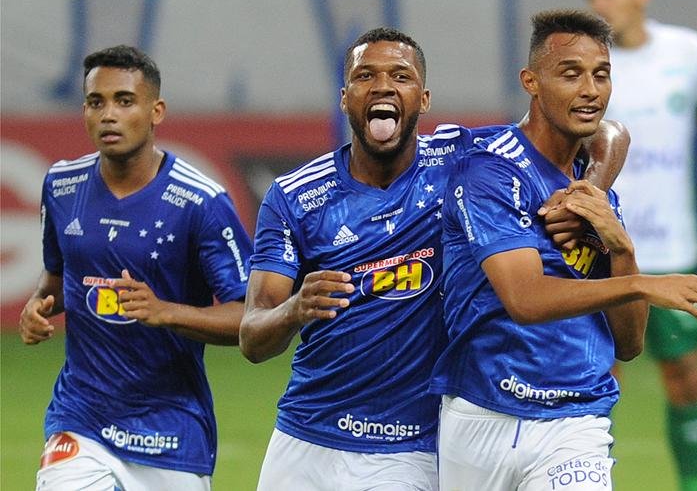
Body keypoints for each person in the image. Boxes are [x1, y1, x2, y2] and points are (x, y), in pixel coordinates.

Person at [239, 27, 629, 490]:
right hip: (304, 434)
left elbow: (609, 132)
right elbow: (253, 337)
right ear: (345, 98)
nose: (383, 87)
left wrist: (586, 193)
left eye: (400, 76)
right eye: (365, 76)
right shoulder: (294, 196)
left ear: (423, 99)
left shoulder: (466, 162)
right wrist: (293, 309)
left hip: (410, 447)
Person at [429, 9, 697, 491]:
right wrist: (642, 284)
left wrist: (622, 249)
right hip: (481, 415)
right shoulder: (490, 171)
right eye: (571, 74)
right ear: (531, 81)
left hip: (576, 422)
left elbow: (628, 345)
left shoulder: (596, 193)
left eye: (601, 75)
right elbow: (525, 300)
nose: (590, 89)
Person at [18, 45, 253, 490]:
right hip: (81, 418)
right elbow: (57, 276)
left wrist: (166, 312)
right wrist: (38, 306)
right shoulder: (62, 185)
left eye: (124, 101)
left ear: (155, 111)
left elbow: (250, 317)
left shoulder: (201, 202)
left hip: (171, 429)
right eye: (96, 102)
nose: (108, 115)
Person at [585, 0, 697, 490]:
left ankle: (696, 486)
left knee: (685, 378)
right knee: (598, 384)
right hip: (598, 254)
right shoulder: (586, 62)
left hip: (672, 251)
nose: (601, 3)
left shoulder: (688, 52)